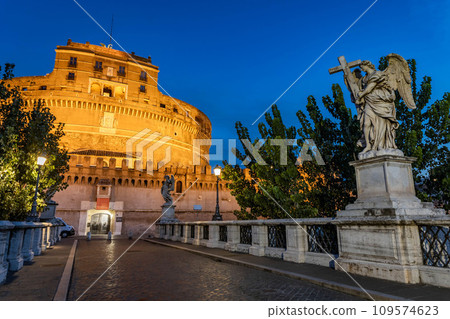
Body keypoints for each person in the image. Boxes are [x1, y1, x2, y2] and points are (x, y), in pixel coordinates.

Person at [355, 60, 399, 154]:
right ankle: (368, 145)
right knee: (366, 124)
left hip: (381, 101)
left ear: (366, 65)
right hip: (369, 101)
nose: (361, 69)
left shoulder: (378, 74)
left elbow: (370, 87)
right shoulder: (364, 78)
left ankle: (381, 145)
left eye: (362, 67)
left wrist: (361, 95)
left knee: (381, 125)